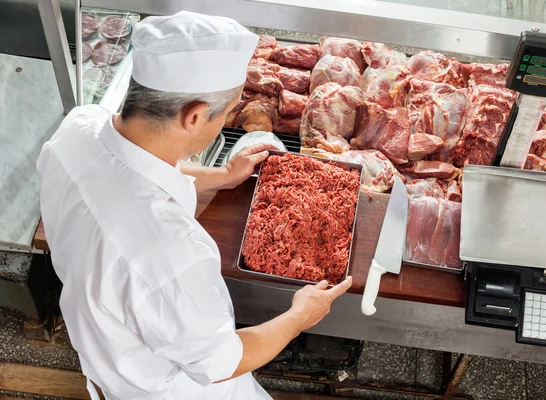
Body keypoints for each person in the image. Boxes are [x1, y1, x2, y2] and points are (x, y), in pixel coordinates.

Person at [37, 11, 352, 400]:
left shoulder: (79, 126)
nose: (228, 120)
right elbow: (220, 362)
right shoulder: (172, 254)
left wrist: (220, 177)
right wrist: (300, 315)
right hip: (169, 388)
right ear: (196, 116)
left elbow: (126, 172)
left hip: (102, 344)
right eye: (229, 111)